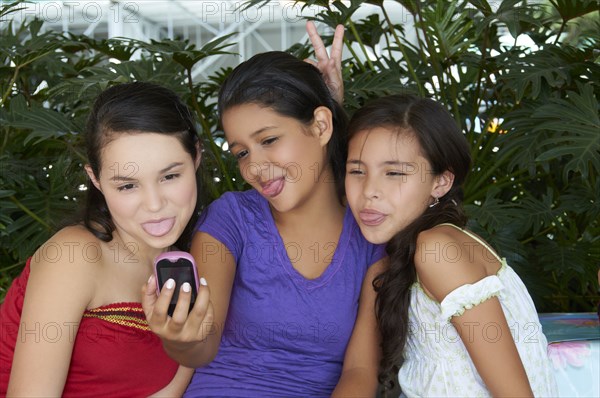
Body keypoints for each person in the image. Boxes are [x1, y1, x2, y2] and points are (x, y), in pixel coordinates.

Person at [142, 25, 387, 397]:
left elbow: (360, 372)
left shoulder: (370, 233)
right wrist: (179, 337)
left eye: (269, 140)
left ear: (321, 125)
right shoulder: (232, 219)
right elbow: (203, 345)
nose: (255, 167)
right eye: (242, 152)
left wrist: (332, 101)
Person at [344, 94, 559, 397]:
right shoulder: (384, 271)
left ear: (441, 183)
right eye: (356, 171)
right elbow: (358, 372)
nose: (369, 191)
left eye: (394, 173)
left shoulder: (439, 250)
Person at [0, 82, 204, 396]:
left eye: (170, 176)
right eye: (127, 186)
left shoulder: (192, 266)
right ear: (96, 180)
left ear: (196, 158)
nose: (153, 204)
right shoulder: (73, 257)